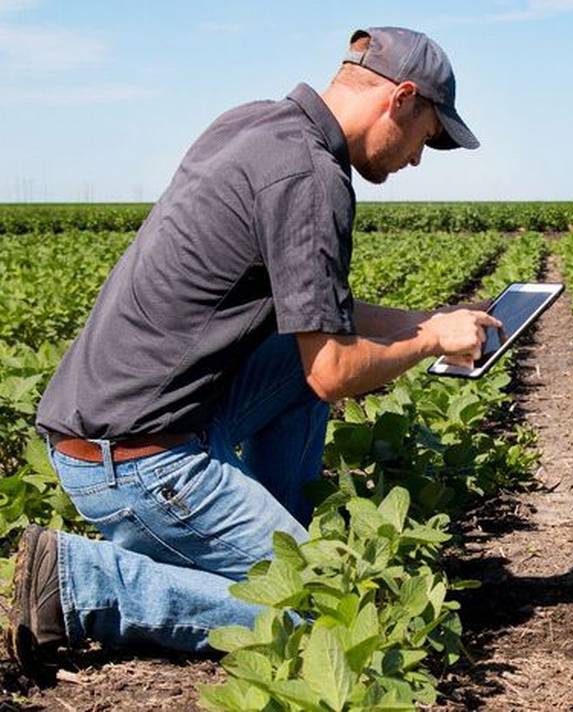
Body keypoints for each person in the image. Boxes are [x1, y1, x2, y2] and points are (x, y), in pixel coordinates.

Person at [6, 26, 500, 679]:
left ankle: (271, 538)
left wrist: (424, 318)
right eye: (428, 137)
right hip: (138, 463)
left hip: (111, 424)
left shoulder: (254, 126)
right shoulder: (312, 178)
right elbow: (331, 372)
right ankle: (81, 582)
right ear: (402, 98)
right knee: (326, 615)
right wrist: (432, 341)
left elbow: (322, 322)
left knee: (294, 360)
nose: (418, 159)